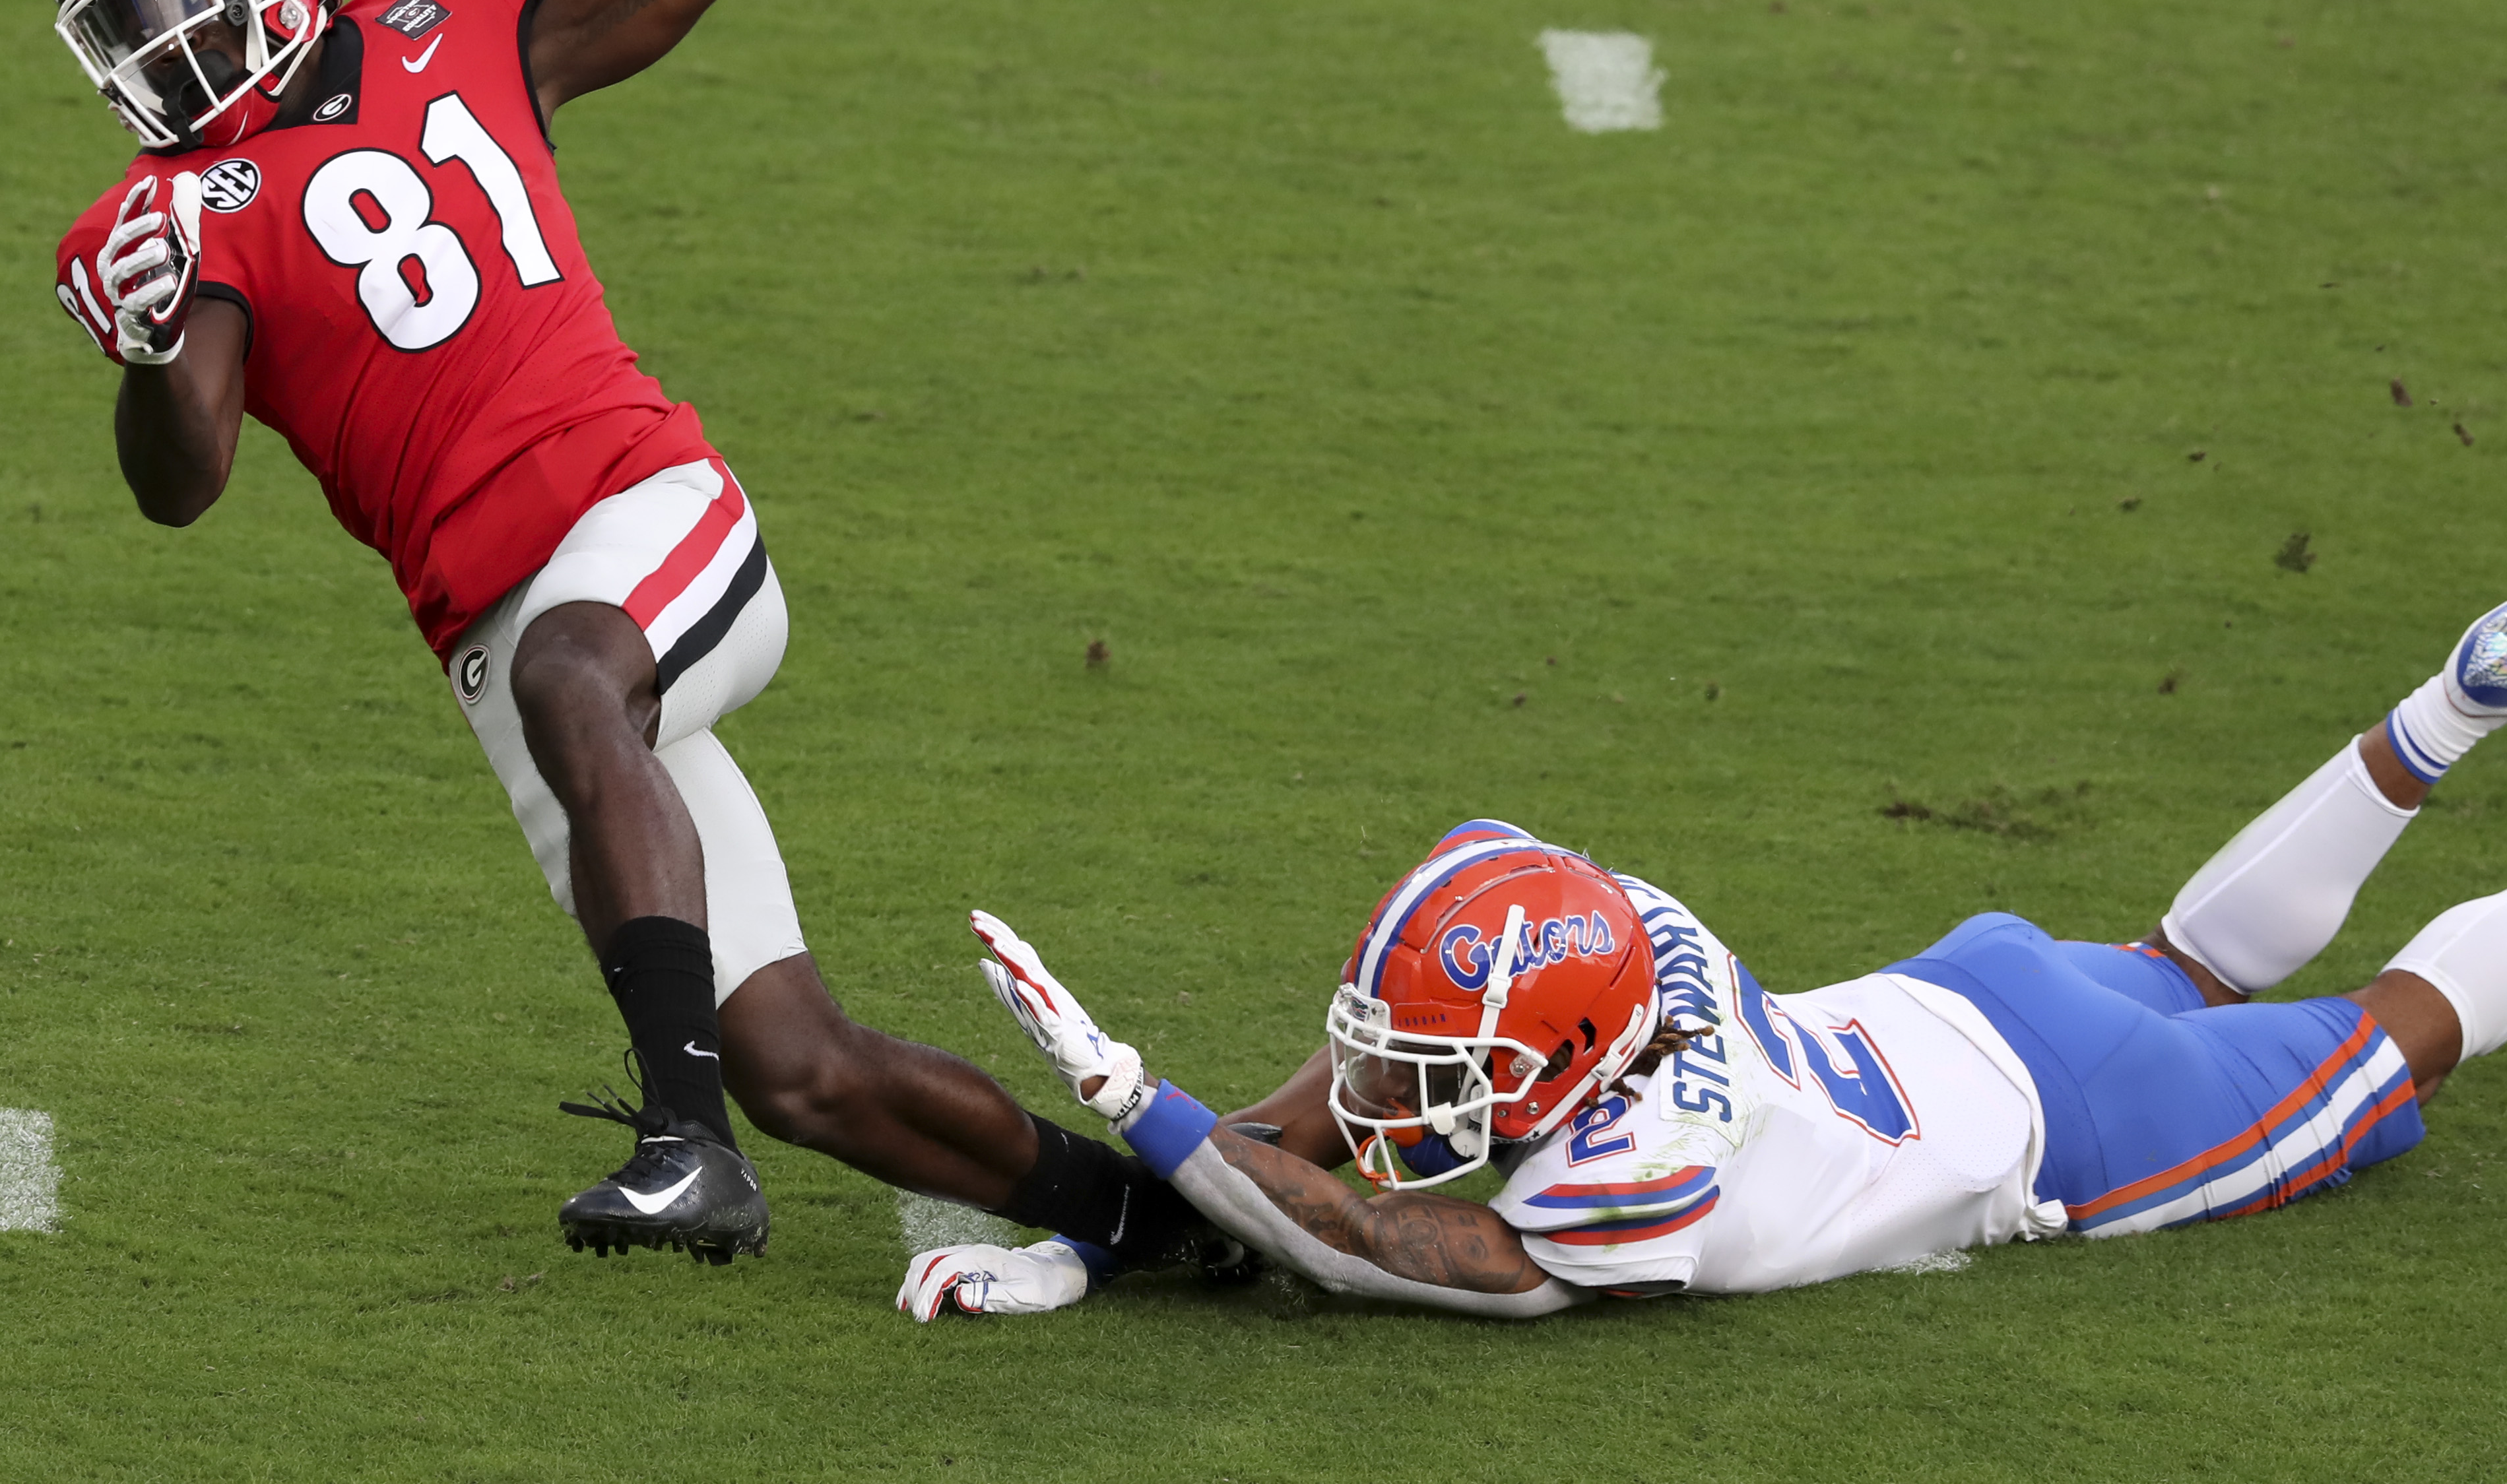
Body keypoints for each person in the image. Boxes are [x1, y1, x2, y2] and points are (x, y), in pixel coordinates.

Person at [43, 0, 1210, 1272]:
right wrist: (149, 347)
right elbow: (186, 480)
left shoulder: (446, 13)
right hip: (502, 641)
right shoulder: (172, 219)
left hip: (645, 515)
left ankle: (684, 1150)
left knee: (581, 677)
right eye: (127, 21)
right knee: (799, 1062)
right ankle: (1154, 1224)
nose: (164, 44)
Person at [899, 598, 2507, 1318]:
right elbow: (1328, 1122)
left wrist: (1146, 1099)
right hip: (1975, 995)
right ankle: (2458, 699)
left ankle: (2464, 715)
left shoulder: (1638, 1167)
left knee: (2396, 1034)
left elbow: (1357, 1239)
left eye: (1439, 1065)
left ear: (1570, 1058)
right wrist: (1098, 1236)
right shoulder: (1615, 938)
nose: (1387, 1081)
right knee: (2184, 955)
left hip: (2086, 1119)